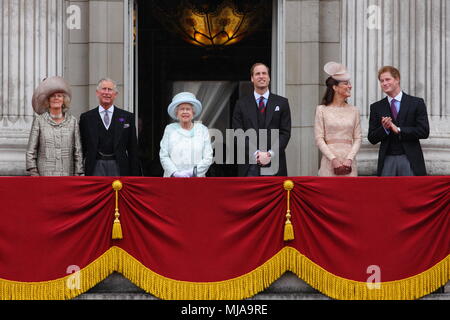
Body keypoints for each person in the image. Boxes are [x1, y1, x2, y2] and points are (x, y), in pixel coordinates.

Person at [232, 63, 291, 176]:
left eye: (264, 73)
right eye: (257, 74)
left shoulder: (282, 103)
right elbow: (237, 133)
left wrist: (269, 154)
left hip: (275, 163)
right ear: (252, 78)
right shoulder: (241, 104)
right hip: (249, 165)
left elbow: (285, 133)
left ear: (269, 78)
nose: (261, 76)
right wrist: (256, 154)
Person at [368, 66, 429, 176]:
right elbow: (371, 138)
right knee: (387, 192)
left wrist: (399, 130)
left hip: (410, 158)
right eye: (381, 81)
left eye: (387, 79)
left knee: (411, 192)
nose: (384, 83)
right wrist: (385, 129)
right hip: (387, 159)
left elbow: (424, 131)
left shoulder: (416, 103)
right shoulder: (376, 107)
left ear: (397, 79)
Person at [79, 78, 141, 176]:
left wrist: (135, 176)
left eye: (110, 89)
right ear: (97, 93)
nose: (106, 92)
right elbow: (81, 148)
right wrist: (79, 172)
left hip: (119, 167)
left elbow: (133, 149)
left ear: (115, 94)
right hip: (95, 166)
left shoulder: (127, 117)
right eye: (104, 89)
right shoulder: (86, 118)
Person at [26, 76, 84, 176]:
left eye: (59, 95)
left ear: (64, 100)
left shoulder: (72, 122)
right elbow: (31, 151)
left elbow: (77, 152)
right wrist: (34, 173)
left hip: (67, 176)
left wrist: (78, 174)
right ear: (47, 100)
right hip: (44, 177)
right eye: (52, 96)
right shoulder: (39, 121)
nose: (56, 98)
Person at [314, 62, 362, 177]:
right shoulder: (321, 110)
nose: (349, 86)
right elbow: (319, 138)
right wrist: (333, 159)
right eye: (346, 83)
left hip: (349, 163)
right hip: (329, 162)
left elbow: (358, 138)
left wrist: (349, 159)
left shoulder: (354, 110)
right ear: (335, 87)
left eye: (349, 83)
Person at [159, 92, 213, 177]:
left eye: (188, 109)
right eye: (182, 109)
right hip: (173, 181)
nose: (185, 112)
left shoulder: (203, 130)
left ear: (193, 113)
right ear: (177, 113)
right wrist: (175, 173)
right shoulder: (169, 129)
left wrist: (193, 172)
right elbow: (164, 155)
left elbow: (208, 157)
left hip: (196, 180)